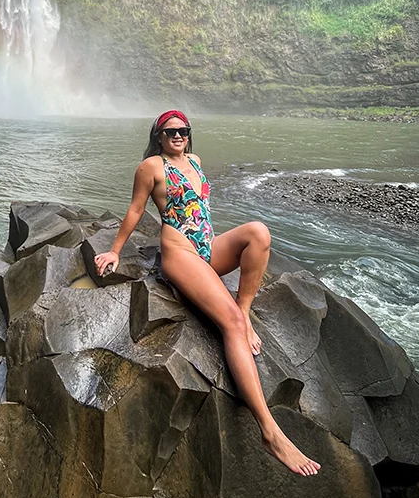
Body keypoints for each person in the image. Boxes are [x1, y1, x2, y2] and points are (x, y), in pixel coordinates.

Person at [94, 109, 321, 477]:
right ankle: (270, 431)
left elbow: (201, 210)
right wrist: (116, 251)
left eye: (183, 131)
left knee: (259, 233)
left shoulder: (195, 161)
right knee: (228, 322)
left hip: (207, 248)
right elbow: (136, 210)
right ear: (158, 136)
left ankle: (245, 311)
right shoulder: (150, 167)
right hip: (179, 253)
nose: (178, 137)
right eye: (170, 133)